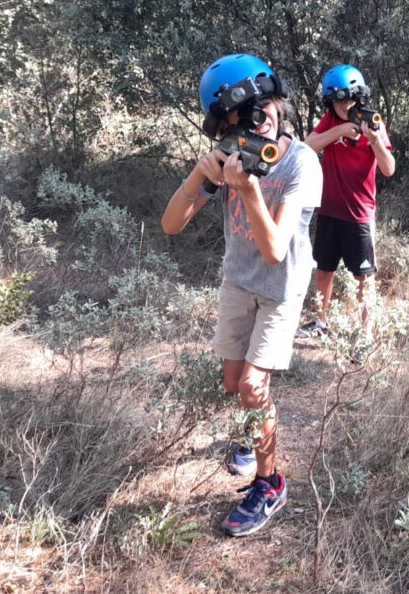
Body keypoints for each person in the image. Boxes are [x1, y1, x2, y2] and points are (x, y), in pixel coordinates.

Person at [161, 53, 322, 537]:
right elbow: (171, 225)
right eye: (237, 124)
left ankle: (270, 484)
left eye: (260, 110)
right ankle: (253, 435)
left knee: (254, 388)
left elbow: (274, 252)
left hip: (280, 288)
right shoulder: (229, 157)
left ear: (275, 102)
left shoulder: (301, 163)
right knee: (233, 386)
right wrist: (202, 174)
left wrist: (248, 190)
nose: (255, 126)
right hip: (238, 282)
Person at [296, 64, 395, 340]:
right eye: (338, 99)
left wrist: (374, 140)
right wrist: (339, 132)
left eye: (350, 98)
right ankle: (320, 323)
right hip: (329, 210)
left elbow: (389, 169)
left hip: (359, 215)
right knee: (324, 269)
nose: (345, 104)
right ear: (330, 100)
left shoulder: (372, 122)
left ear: (360, 96)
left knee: (365, 278)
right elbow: (306, 146)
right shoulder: (329, 120)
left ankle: (365, 335)